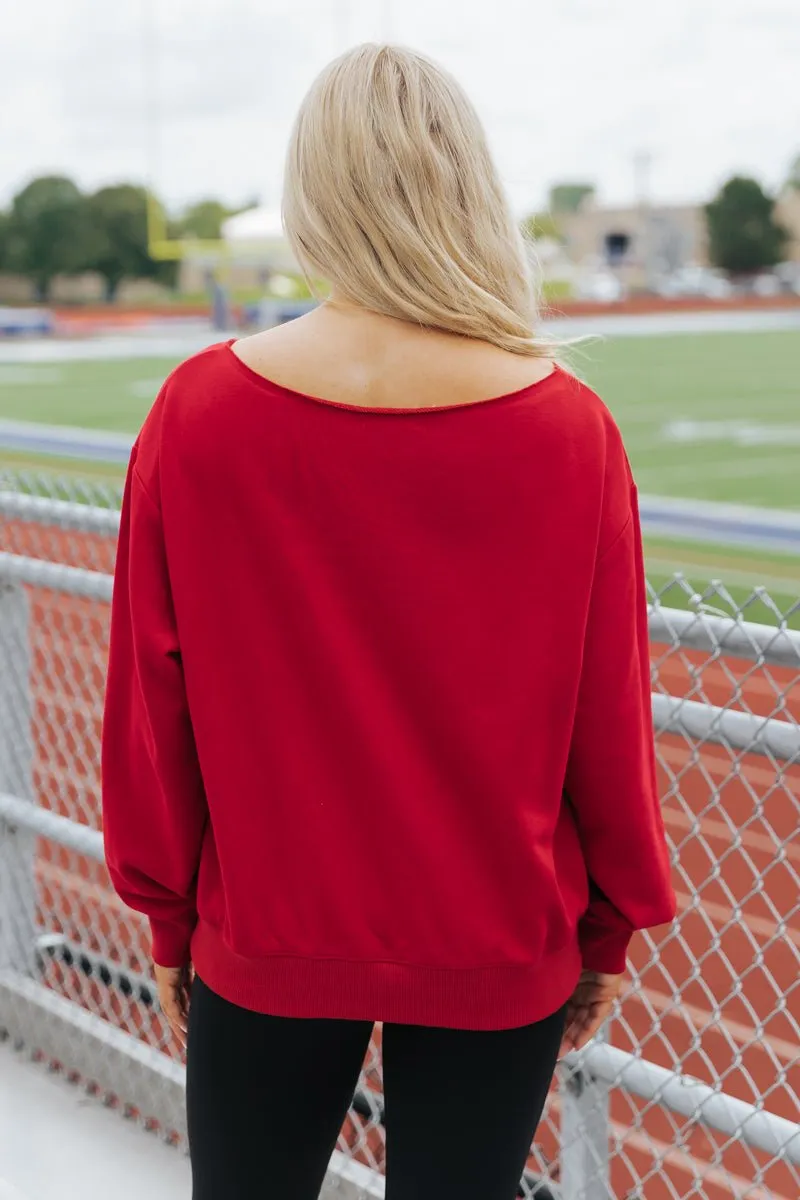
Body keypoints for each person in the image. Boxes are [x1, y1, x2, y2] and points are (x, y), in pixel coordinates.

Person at [101, 43, 676, 1200]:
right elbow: (603, 715)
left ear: (313, 192)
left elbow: (145, 703)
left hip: (265, 929)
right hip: (497, 937)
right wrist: (607, 927)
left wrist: (169, 914)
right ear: (468, 187)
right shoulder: (569, 431)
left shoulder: (199, 413)